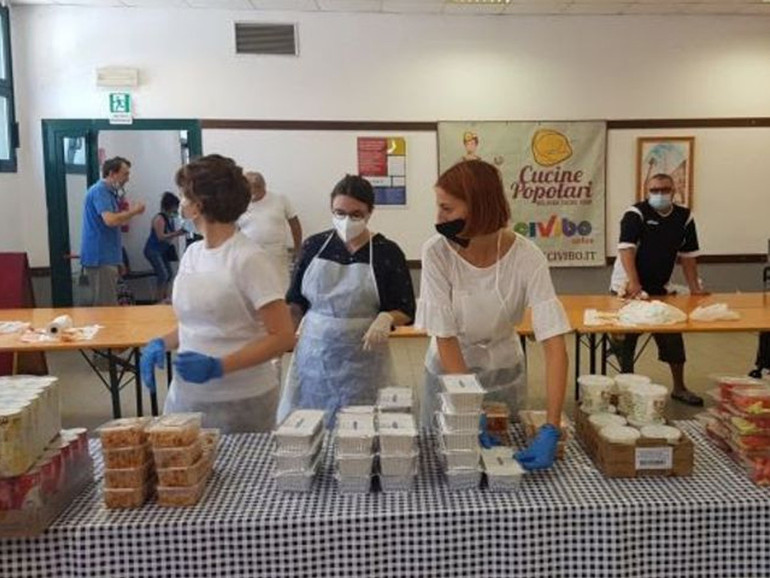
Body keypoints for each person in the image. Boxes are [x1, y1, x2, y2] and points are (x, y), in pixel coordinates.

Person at [416, 160, 570, 471]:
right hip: (450, 371)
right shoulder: (437, 253)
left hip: (504, 371)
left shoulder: (527, 257)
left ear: (479, 208)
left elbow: (555, 345)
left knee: (505, 463)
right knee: (450, 463)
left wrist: (552, 426)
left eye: (447, 209)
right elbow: (445, 337)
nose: (438, 218)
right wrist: (469, 406)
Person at [140, 154, 295, 433]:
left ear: (198, 206)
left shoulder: (248, 259)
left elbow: (282, 336)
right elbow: (197, 322)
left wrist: (219, 366)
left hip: (241, 400)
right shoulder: (192, 254)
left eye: (183, 196)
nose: (180, 204)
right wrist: (161, 343)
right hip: (187, 396)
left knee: (241, 475)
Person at [279, 174, 416, 425]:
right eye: (339, 213)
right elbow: (295, 302)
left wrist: (386, 317)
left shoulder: (387, 252)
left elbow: (406, 308)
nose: (346, 221)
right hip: (315, 354)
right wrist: (281, 343)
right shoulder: (314, 246)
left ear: (370, 213)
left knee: (362, 425)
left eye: (356, 214)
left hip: (364, 357)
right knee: (310, 422)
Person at [609, 172, 705, 406]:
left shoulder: (684, 217)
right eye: (654, 190)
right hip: (627, 287)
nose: (659, 194)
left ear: (674, 191)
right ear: (647, 191)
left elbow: (689, 256)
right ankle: (625, 390)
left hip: (661, 289)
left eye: (664, 190)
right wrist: (634, 282)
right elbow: (626, 249)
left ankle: (680, 388)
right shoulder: (636, 214)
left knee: (672, 336)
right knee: (626, 343)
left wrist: (695, 289)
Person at [80, 156, 145, 306]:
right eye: (125, 174)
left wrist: (118, 260)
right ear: (112, 173)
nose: (127, 178)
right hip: (100, 257)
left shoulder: (109, 193)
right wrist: (133, 211)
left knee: (110, 303)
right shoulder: (100, 191)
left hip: (107, 257)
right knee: (106, 307)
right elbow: (110, 220)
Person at [237, 171, 303, 292]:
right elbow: (233, 230)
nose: (252, 196)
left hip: (276, 252)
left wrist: (298, 248)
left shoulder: (280, 199)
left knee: (281, 287)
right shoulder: (238, 203)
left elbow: (295, 224)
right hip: (249, 253)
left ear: (263, 187)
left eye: (256, 191)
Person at [143, 191, 186, 303]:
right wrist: (178, 233)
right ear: (170, 206)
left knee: (170, 274)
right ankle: (159, 301)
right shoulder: (159, 219)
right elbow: (161, 237)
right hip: (153, 250)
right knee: (163, 275)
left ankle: (165, 298)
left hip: (161, 251)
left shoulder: (169, 219)